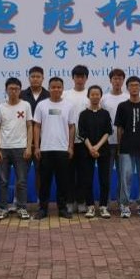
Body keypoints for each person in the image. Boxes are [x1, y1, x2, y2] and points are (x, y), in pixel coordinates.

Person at [33, 77, 75, 220]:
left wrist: (71, 146)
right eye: (53, 87)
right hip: (45, 149)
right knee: (44, 182)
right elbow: (37, 126)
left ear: (62, 88)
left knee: (63, 182)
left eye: (59, 87)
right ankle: (42, 209)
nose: (56, 89)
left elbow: (71, 127)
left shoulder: (69, 106)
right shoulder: (42, 105)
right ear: (49, 88)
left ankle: (62, 209)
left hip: (63, 150)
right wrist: (36, 147)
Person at [114, 76, 140, 218]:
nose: (134, 87)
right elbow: (119, 128)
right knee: (126, 177)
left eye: (137, 85)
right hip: (126, 147)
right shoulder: (122, 106)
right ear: (127, 88)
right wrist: (119, 146)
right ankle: (124, 205)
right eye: (131, 85)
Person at [0, 77, 33, 220]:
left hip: (21, 148)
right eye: (11, 88)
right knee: (3, 181)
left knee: (21, 181)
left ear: (20, 90)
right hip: (3, 148)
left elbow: (29, 126)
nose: (14, 91)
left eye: (16, 89)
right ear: (6, 90)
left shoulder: (26, 105)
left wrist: (28, 147)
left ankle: (22, 208)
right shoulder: (1, 107)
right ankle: (2, 208)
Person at [77, 85, 112, 218]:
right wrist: (91, 148)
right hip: (87, 150)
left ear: (101, 96)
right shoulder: (83, 114)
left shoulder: (105, 113)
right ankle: (90, 206)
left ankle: (103, 206)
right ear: (88, 96)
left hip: (103, 149)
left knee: (104, 179)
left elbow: (108, 132)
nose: (95, 97)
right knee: (87, 179)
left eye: (97, 94)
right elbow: (81, 133)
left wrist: (97, 147)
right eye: (92, 94)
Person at [21, 66, 49, 211]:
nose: (35, 79)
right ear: (29, 78)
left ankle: (40, 200)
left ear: (43, 78)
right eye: (33, 76)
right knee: (22, 174)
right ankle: (19, 201)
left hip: (43, 142)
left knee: (41, 173)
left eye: (38, 76)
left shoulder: (49, 95)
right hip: (23, 141)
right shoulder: (21, 95)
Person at [63, 64, 90, 214]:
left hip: (85, 142)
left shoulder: (90, 94)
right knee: (68, 173)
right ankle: (69, 201)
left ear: (86, 78)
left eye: (82, 76)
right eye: (77, 76)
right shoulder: (65, 94)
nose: (80, 79)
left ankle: (81, 201)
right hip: (67, 141)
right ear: (73, 78)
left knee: (83, 173)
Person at [101, 68, 129, 208]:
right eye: (115, 78)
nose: (117, 81)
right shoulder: (104, 98)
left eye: (120, 78)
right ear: (110, 80)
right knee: (106, 175)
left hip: (124, 143)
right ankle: (105, 203)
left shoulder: (128, 97)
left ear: (123, 81)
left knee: (123, 175)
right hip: (107, 142)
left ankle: (121, 201)